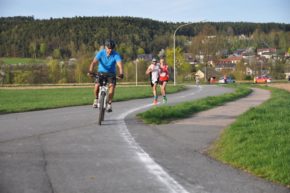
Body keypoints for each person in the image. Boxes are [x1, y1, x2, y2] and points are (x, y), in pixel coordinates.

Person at [88, 39, 123, 112]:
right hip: (101, 72)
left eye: (111, 48)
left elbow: (119, 65)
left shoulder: (116, 54)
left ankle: (109, 104)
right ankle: (96, 99)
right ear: (105, 47)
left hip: (111, 74)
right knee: (97, 85)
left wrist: (121, 73)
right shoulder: (101, 53)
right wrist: (90, 71)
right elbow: (93, 62)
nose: (110, 50)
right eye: (108, 48)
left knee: (112, 86)